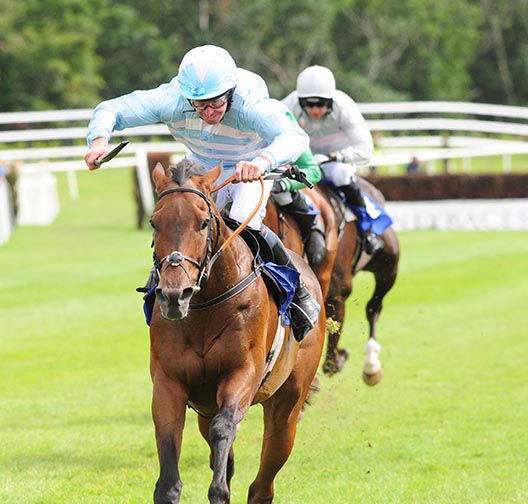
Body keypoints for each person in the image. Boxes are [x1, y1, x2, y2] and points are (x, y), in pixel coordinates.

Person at [85, 45, 320, 341]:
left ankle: (298, 294)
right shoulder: (170, 100)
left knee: (241, 223)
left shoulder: (249, 105)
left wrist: (262, 161)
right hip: (202, 168)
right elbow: (112, 108)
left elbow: (295, 136)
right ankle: (159, 287)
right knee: (180, 226)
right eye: (199, 104)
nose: (209, 112)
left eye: (216, 103)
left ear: (231, 93)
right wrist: (98, 140)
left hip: (250, 165)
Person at [282, 65, 382, 255]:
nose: (314, 110)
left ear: (330, 99)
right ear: (299, 99)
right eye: (308, 104)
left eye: (320, 104)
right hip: (303, 162)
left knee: (342, 175)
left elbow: (366, 151)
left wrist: (333, 157)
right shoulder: (288, 105)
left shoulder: (345, 108)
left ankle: (367, 231)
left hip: (335, 162)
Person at [270, 111, 325, 268]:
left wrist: (284, 184)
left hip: (276, 180)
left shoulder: (284, 119)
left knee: (283, 196)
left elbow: (314, 172)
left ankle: (312, 229)